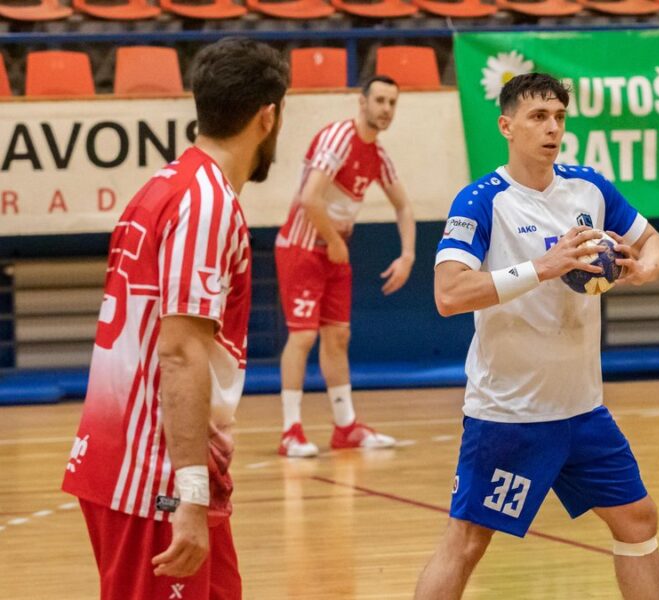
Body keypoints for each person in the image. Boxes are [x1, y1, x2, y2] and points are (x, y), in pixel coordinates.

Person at [414, 73, 659, 600]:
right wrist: (543, 267)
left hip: (582, 410)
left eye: (559, 117)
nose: (552, 127)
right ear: (506, 126)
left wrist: (643, 269)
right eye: (538, 117)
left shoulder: (589, 187)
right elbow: (449, 294)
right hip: (510, 415)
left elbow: (657, 245)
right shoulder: (481, 200)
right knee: (467, 541)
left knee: (637, 519)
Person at [61, 38, 288, 600]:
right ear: (268, 117)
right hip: (154, 477)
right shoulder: (205, 203)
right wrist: (188, 492)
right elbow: (180, 351)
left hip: (144, 462)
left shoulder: (165, 186)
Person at [273, 75, 415, 457]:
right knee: (303, 337)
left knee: (337, 337)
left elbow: (403, 205)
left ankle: (345, 426)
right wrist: (334, 241)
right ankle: (290, 431)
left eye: (392, 103)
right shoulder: (338, 138)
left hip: (334, 253)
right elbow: (310, 198)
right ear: (362, 102)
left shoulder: (377, 155)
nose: (386, 109)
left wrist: (407, 256)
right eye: (380, 100)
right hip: (302, 247)